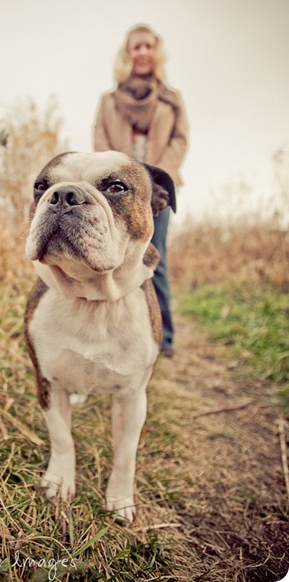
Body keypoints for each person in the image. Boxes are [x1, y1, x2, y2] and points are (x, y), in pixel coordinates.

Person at [93, 23, 188, 357]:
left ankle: (165, 339)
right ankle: (117, 337)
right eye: (137, 46)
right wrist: (115, 178)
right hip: (116, 193)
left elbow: (180, 140)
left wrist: (161, 177)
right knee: (113, 258)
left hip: (156, 191)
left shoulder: (172, 100)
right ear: (128, 53)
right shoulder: (108, 101)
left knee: (154, 258)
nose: (143, 52)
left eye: (149, 46)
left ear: (156, 51)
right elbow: (100, 142)